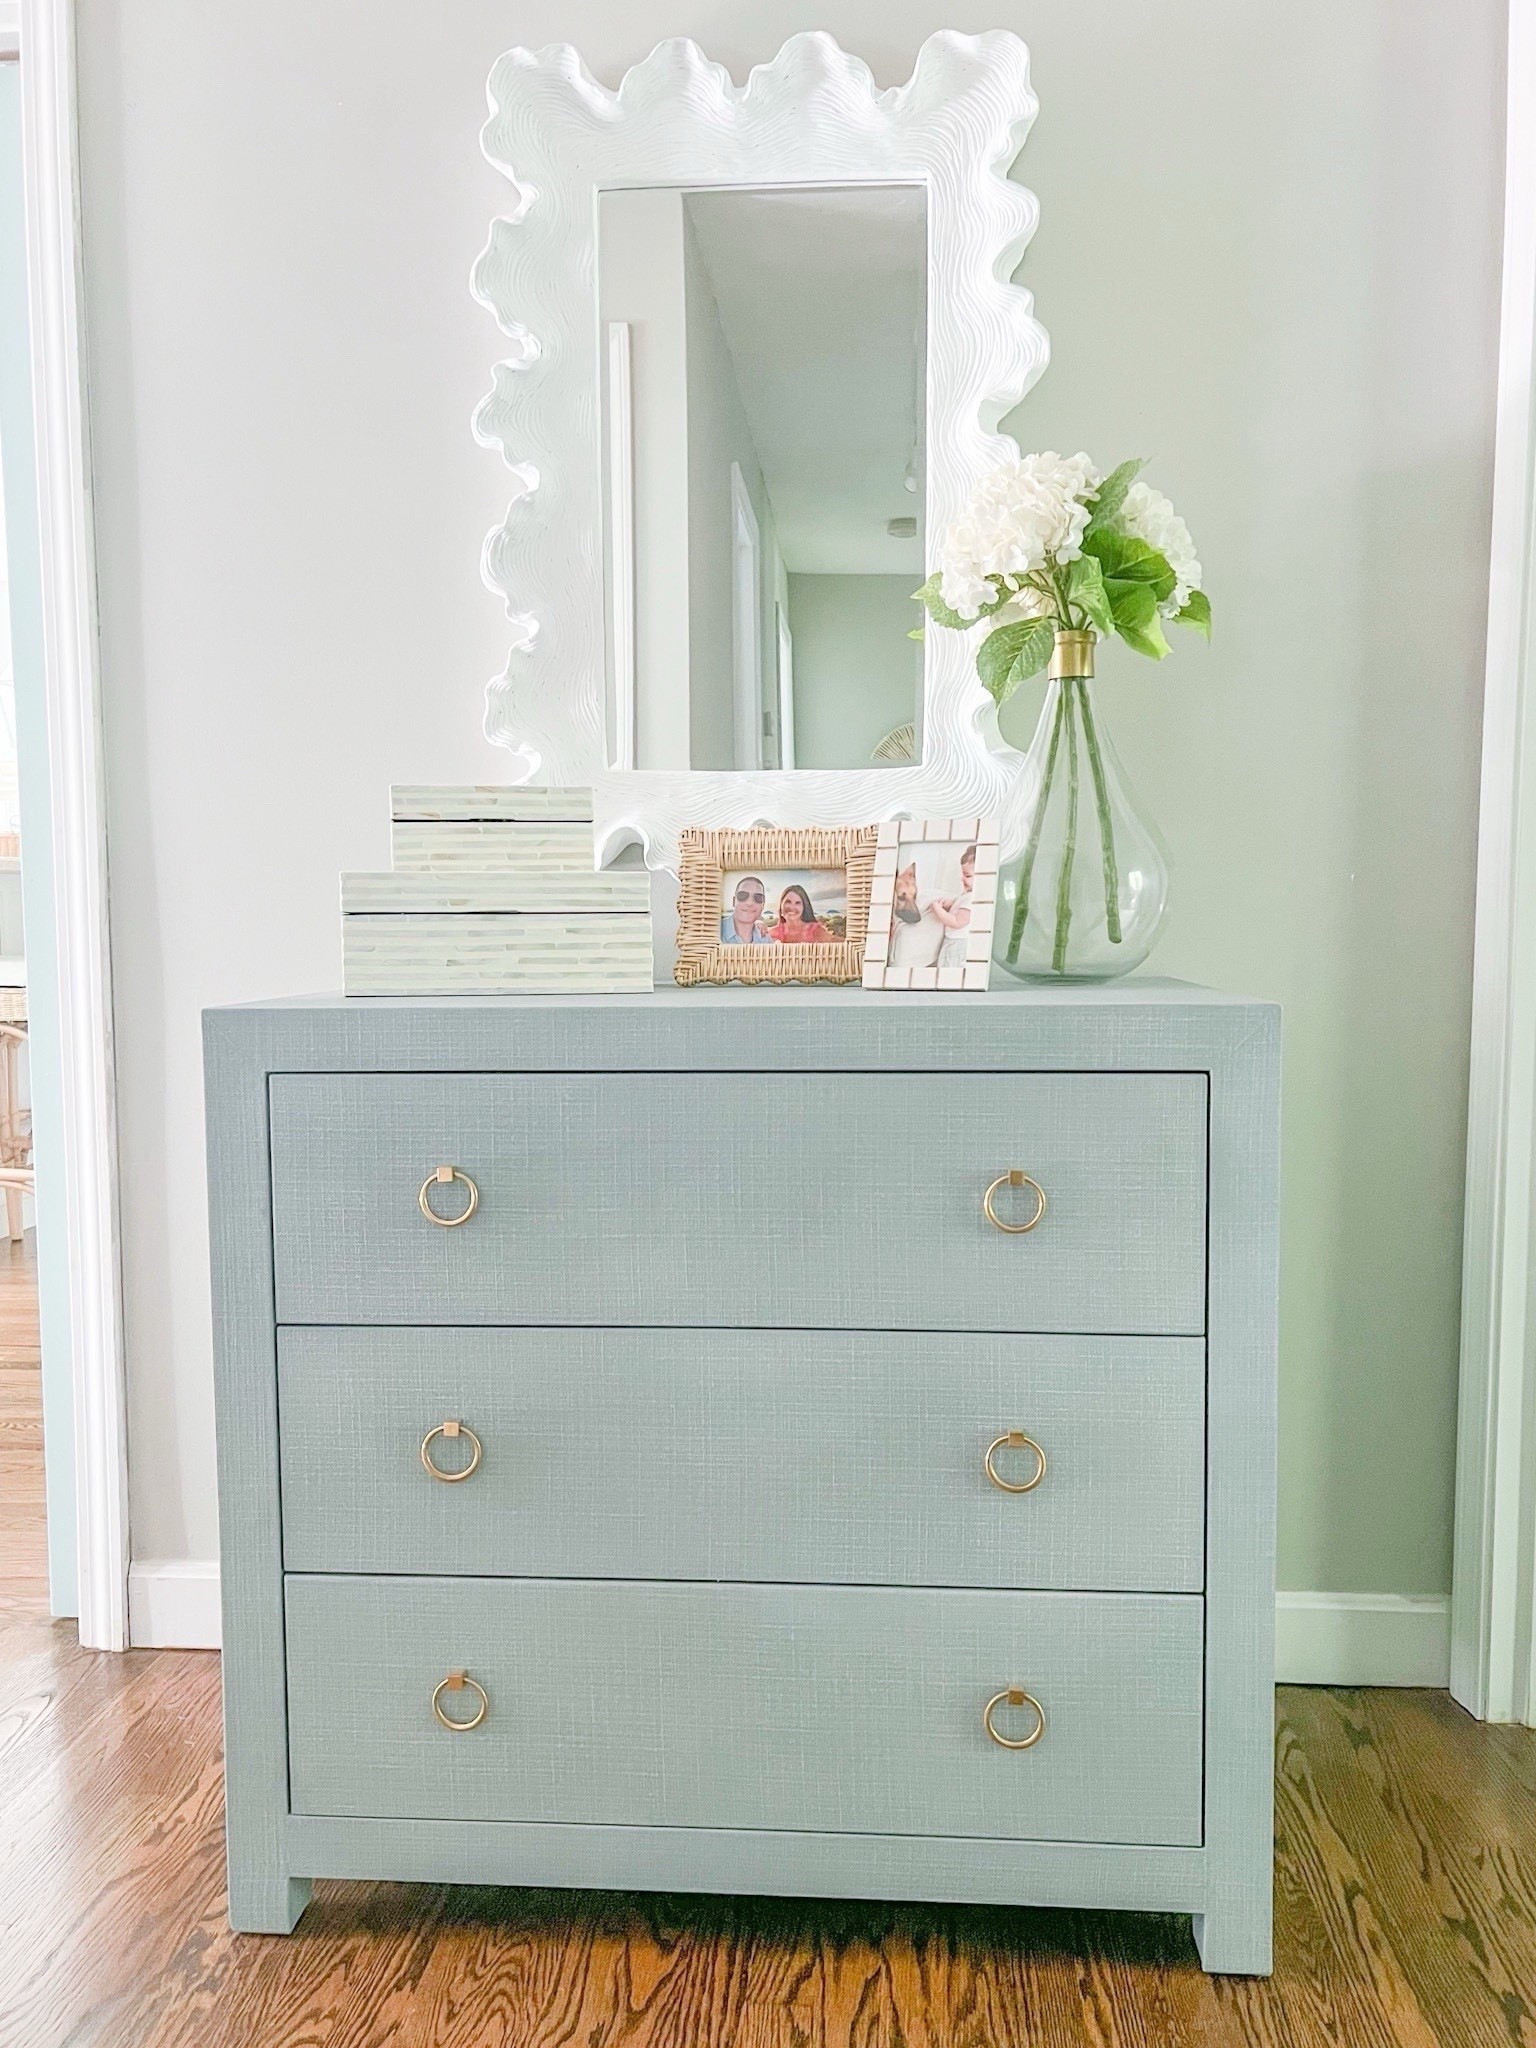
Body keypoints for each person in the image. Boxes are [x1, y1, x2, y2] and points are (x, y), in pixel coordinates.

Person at [931, 844, 977, 971]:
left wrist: (938, 911)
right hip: (953, 940)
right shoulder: (967, 895)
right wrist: (951, 903)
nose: (962, 879)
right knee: (945, 964)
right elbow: (960, 903)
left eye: (967, 876)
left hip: (958, 943)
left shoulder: (973, 898)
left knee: (950, 968)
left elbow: (957, 922)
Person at [767, 883, 833, 944]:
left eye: (797, 903)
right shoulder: (771, 934)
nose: (792, 907)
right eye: (788, 902)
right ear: (781, 905)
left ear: (804, 907)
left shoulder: (815, 931)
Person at [720, 877, 773, 944]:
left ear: (763, 904)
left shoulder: (765, 938)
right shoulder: (714, 931)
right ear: (734, 901)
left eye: (758, 897)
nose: (749, 903)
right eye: (742, 895)